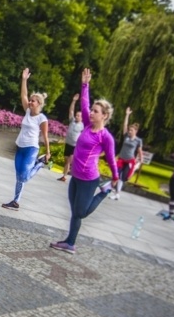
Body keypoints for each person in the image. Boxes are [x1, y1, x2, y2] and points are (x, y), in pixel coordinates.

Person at [50, 68, 119, 254]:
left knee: (81, 212)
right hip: (76, 176)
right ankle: (69, 243)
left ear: (104, 115)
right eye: (92, 110)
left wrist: (115, 177)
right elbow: (84, 101)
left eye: (96, 111)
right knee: (74, 212)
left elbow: (112, 159)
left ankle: (103, 192)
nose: (92, 112)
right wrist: (85, 85)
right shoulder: (88, 124)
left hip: (89, 179)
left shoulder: (106, 137)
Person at [2, 68, 51, 211]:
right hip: (20, 147)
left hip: (31, 148)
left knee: (24, 176)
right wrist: (24, 80)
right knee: (19, 176)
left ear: (39, 104)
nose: (30, 102)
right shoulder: (28, 111)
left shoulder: (42, 119)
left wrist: (47, 152)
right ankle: (15, 202)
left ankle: (39, 163)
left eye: (34, 101)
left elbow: (45, 136)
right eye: (30, 100)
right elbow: (23, 94)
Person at [110, 107, 143, 200]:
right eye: (129, 130)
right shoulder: (126, 136)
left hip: (129, 160)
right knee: (116, 174)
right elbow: (124, 126)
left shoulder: (138, 140)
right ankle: (112, 188)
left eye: (131, 130)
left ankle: (117, 193)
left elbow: (140, 151)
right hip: (121, 159)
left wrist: (140, 160)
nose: (129, 131)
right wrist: (127, 115)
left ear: (135, 131)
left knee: (123, 177)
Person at [58, 94, 84, 182]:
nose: (76, 116)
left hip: (74, 146)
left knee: (69, 161)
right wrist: (73, 101)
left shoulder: (82, 126)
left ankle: (69, 175)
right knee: (66, 161)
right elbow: (71, 111)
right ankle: (64, 175)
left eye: (78, 116)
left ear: (82, 117)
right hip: (68, 144)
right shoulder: (72, 121)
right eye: (76, 115)